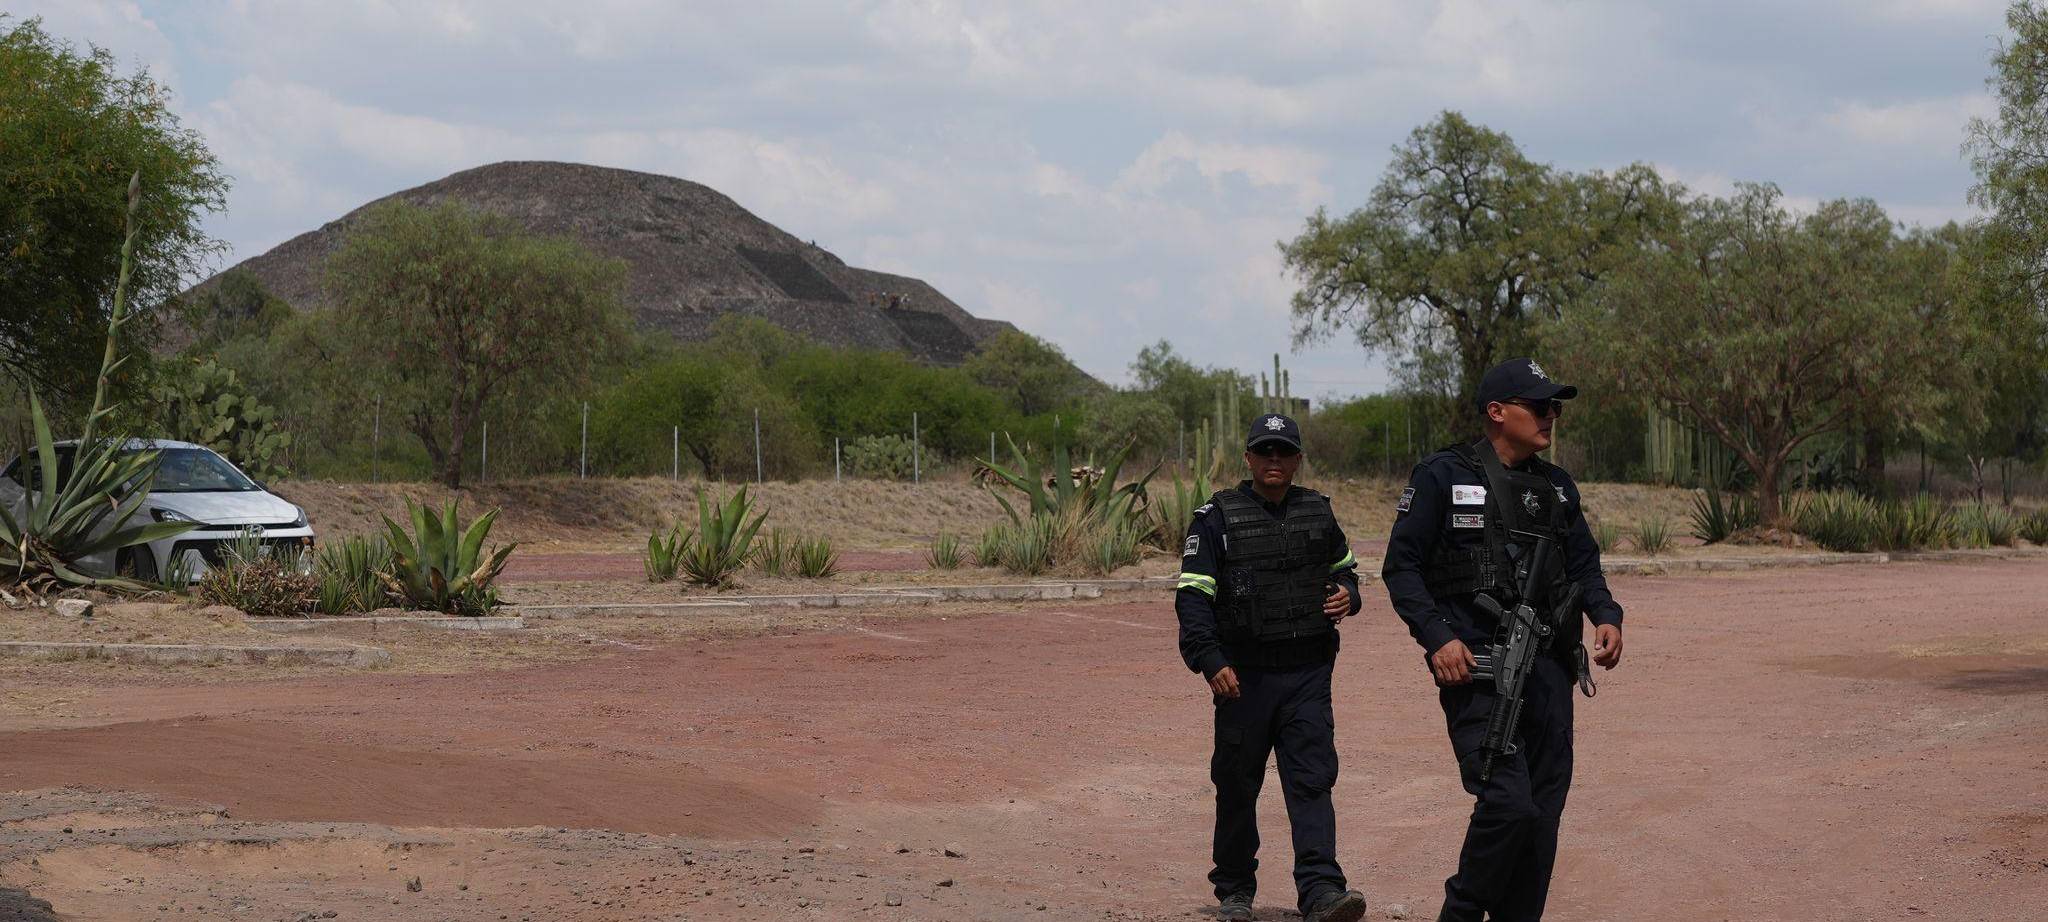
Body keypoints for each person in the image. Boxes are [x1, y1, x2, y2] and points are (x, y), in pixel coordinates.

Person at [1381, 358, 1626, 922]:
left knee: (1541, 821)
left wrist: (1605, 615)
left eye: (1555, 408)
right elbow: (1402, 568)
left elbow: (1584, 564)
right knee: (1509, 805)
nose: (1551, 418)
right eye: (1539, 407)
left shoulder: (1557, 486)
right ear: (1497, 412)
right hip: (1479, 673)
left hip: (1550, 676)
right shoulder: (1442, 475)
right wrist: (1438, 638)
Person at [1175, 412, 1370, 922]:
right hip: (1244, 678)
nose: (1274, 460)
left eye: (1284, 452)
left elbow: (1346, 570)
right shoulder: (1215, 519)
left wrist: (1348, 595)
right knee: (1238, 785)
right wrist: (1211, 661)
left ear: (1298, 459)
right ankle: (1235, 892)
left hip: (1307, 675)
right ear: (1249, 458)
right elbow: (1193, 599)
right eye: (1265, 451)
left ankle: (1323, 891)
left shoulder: (1319, 513)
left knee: (1312, 780)